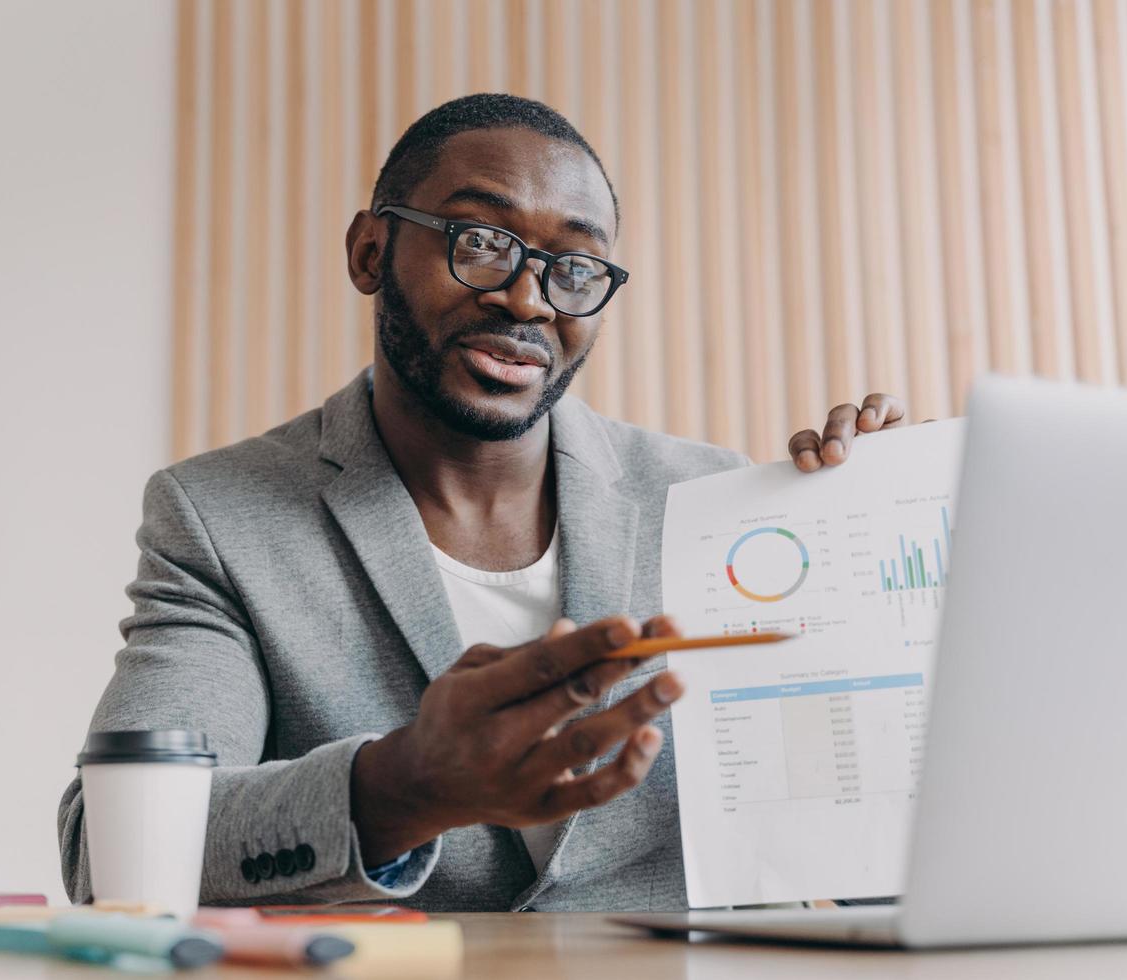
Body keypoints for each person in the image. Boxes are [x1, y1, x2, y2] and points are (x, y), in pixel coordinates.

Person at [58, 94, 908, 912]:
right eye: (482, 240)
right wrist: (405, 786)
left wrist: (904, 591)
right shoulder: (220, 518)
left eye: (574, 267)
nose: (529, 300)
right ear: (369, 253)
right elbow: (112, 852)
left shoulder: (713, 505)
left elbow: (871, 858)